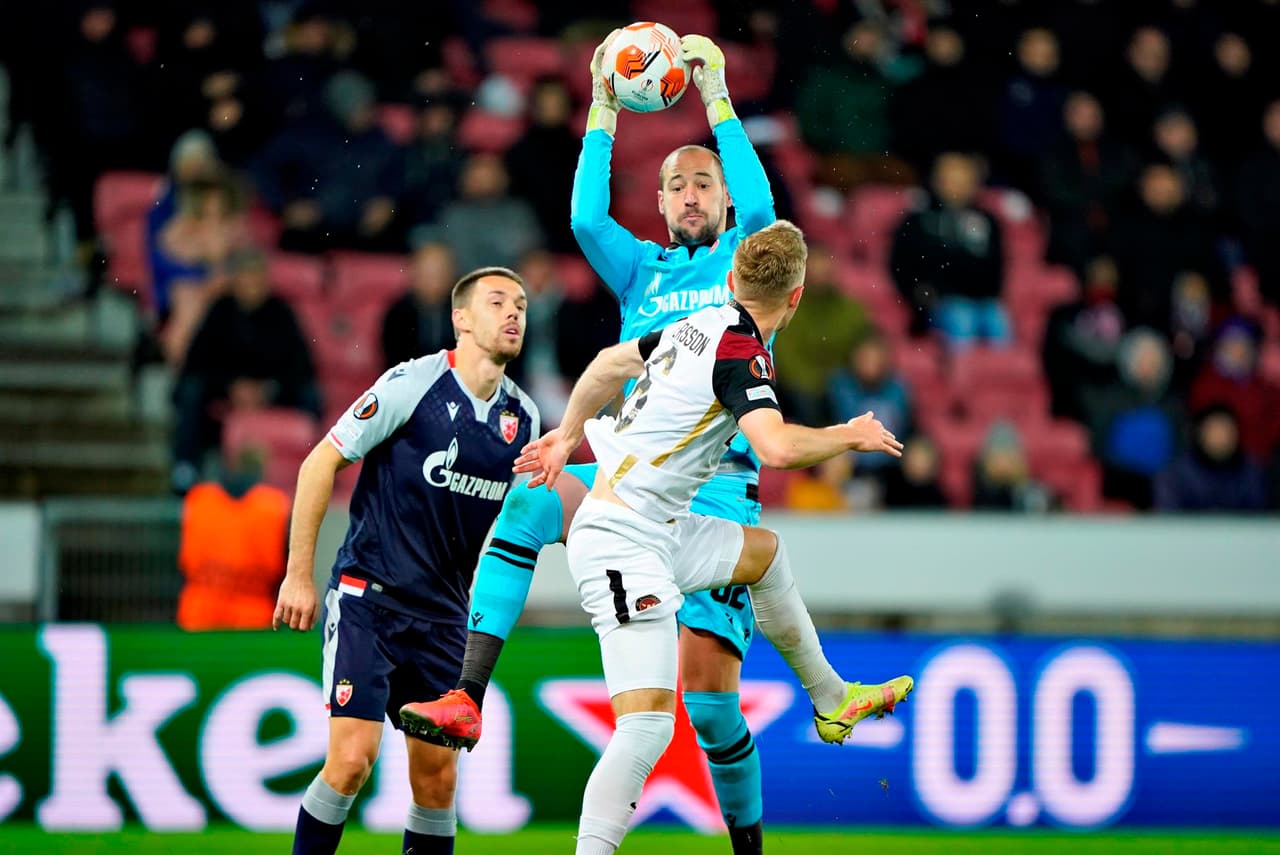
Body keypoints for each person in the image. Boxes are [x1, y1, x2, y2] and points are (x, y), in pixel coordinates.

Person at [399, 32, 785, 855]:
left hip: (715, 486)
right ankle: (466, 693)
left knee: (713, 707)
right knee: (531, 498)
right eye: (674, 184)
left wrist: (715, 96)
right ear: (659, 203)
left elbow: (762, 209)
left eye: (701, 183)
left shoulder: (740, 264)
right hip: (626, 476)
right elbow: (580, 215)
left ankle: (748, 845)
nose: (688, 194)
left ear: (721, 202)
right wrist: (604, 102)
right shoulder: (640, 270)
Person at [476, 221, 912, 855]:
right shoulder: (741, 352)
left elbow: (605, 364)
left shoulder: (697, 325)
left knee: (764, 555)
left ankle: (833, 698)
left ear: (732, 281)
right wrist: (849, 433)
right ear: (796, 299)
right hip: (623, 538)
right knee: (648, 725)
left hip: (658, 525)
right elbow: (777, 446)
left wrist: (568, 434)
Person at [272, 267, 539, 855]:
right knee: (351, 760)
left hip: (446, 616)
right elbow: (318, 464)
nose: (514, 313)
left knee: (438, 781)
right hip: (372, 598)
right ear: (461, 318)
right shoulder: (412, 384)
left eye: (520, 304)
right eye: (497, 302)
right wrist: (299, 574)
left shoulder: (525, 420)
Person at [171, 247, 320, 494]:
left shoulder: (282, 313)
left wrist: (267, 390)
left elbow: (302, 366)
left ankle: (317, 473)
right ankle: (186, 469)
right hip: (224, 393)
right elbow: (196, 362)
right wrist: (231, 387)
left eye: (257, 277)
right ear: (235, 280)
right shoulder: (220, 310)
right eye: (246, 277)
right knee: (190, 391)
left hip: (273, 392)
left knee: (312, 396)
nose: (252, 284)